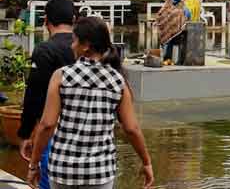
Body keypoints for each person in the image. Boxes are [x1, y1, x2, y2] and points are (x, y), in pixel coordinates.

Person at [27, 17, 154, 189]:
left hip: (63, 169)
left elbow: (47, 124)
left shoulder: (61, 76)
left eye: (74, 41)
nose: (71, 45)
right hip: (99, 173)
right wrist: (146, 162)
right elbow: (131, 129)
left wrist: (34, 165)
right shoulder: (118, 81)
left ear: (85, 45)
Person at [18, 0, 76, 189]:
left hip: (53, 131)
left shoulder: (45, 50)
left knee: (49, 181)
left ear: (46, 21)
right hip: (88, 132)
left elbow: (34, 95)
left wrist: (26, 133)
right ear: (74, 19)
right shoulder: (88, 48)